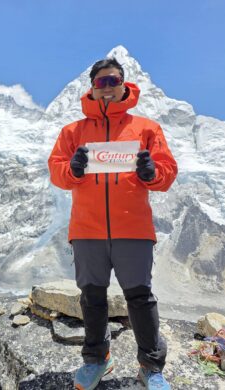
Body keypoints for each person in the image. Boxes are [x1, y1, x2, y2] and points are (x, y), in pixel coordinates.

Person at [48, 58, 178, 390]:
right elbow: (57, 172)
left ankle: (150, 366)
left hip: (133, 229)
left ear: (124, 84)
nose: (107, 87)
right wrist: (73, 170)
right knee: (91, 297)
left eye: (113, 80)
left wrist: (152, 173)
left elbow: (166, 173)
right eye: (101, 82)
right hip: (87, 230)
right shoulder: (72, 132)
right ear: (91, 87)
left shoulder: (147, 129)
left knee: (140, 297)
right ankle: (97, 359)